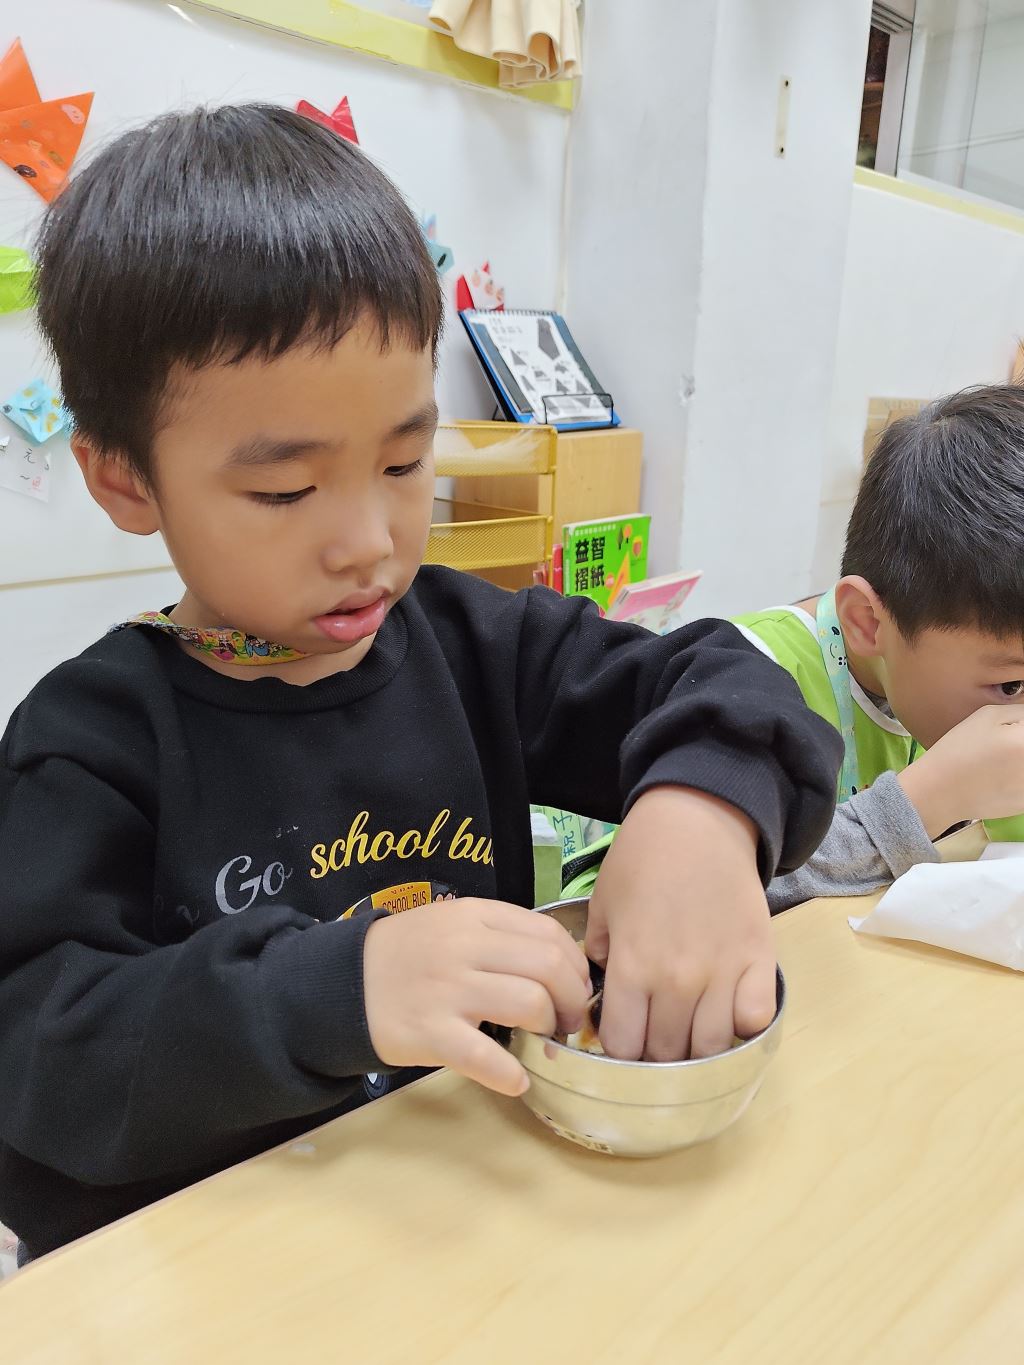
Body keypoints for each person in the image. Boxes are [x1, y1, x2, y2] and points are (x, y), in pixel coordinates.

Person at [0, 104, 841, 1260]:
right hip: (223, 1267)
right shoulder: (88, 740)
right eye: (285, 492)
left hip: (455, 1223)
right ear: (125, 480)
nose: (369, 542)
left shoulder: (475, 646)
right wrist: (339, 992)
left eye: (404, 463)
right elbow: (42, 1057)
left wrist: (701, 812)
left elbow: (730, 681)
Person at [732, 384, 1024, 912]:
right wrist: (927, 799)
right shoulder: (744, 691)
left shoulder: (943, 667)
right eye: (1013, 685)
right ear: (867, 623)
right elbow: (646, 904)